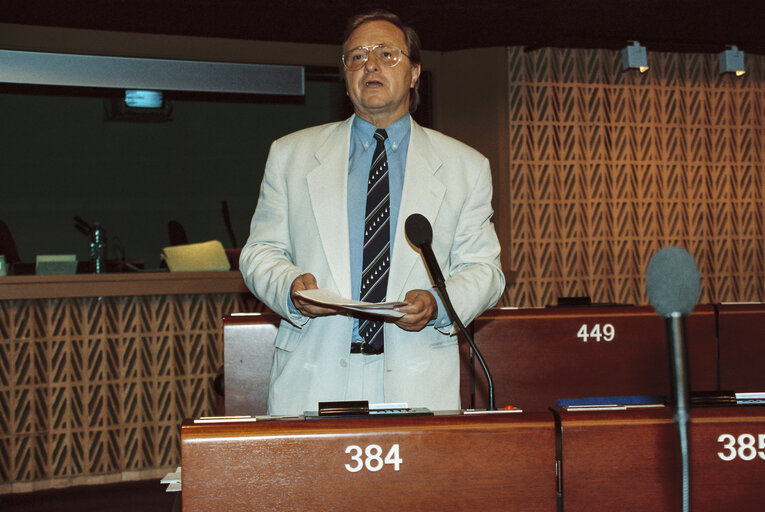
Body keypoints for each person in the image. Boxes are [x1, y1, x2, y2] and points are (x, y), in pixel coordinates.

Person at [240, 9, 504, 415]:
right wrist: (290, 288)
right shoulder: (290, 155)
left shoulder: (465, 166)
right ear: (346, 76)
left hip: (418, 374)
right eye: (357, 56)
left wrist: (436, 303)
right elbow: (259, 253)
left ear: (415, 72)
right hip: (314, 370)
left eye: (387, 54)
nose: (371, 65)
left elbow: (485, 271)